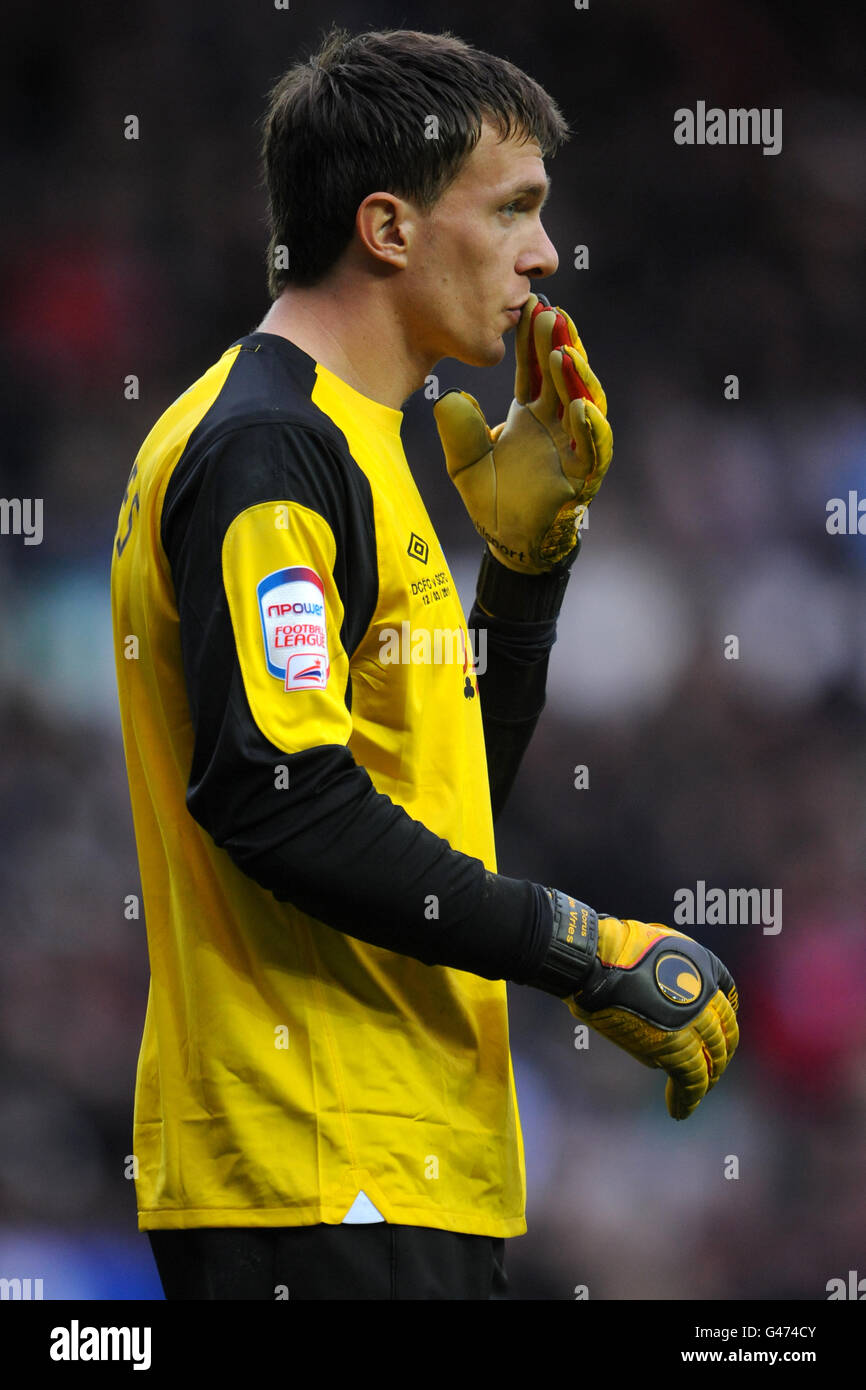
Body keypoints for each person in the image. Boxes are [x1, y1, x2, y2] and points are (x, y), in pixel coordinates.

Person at [110, 25, 739, 1302]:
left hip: (394, 1161)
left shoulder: (360, 439)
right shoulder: (264, 451)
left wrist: (525, 569)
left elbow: (428, 815)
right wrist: (584, 947)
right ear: (387, 228)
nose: (544, 255)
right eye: (511, 208)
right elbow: (278, 800)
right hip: (314, 1160)